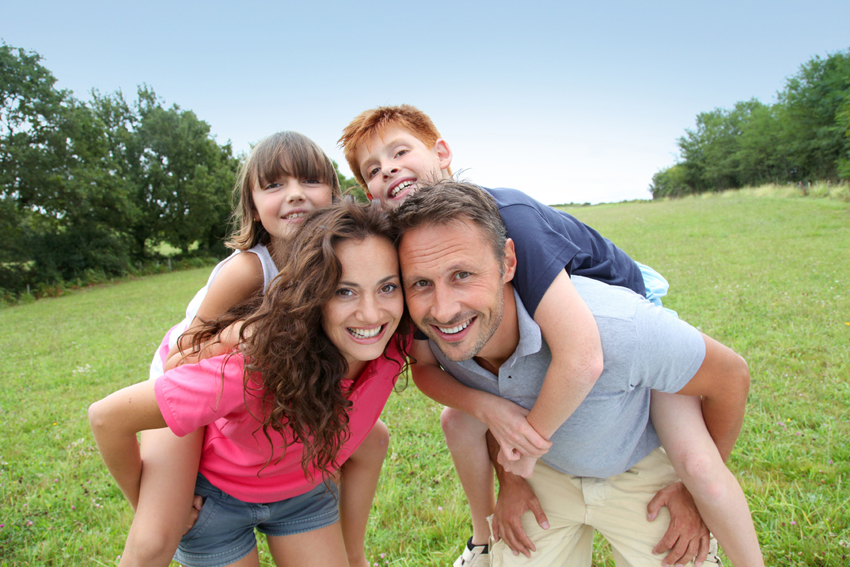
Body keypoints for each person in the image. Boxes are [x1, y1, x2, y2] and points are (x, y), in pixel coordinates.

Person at [339, 105, 745, 567]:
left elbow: (583, 353)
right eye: (373, 168)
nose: (388, 168)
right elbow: (426, 366)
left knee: (696, 462)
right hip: (555, 347)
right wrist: (488, 408)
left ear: (442, 152)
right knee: (460, 418)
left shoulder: (508, 218)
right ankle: (482, 539)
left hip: (627, 314)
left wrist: (524, 452)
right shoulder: (410, 252)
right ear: (369, 192)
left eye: (399, 151)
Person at [391, 182, 763, 566]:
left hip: (641, 479)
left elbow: (731, 376)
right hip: (545, 480)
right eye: (421, 283)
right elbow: (487, 407)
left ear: (509, 262)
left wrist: (691, 488)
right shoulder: (443, 343)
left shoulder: (619, 324)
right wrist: (512, 482)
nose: (443, 309)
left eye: (463, 275)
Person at [89, 200, 411, 567]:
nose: (371, 313)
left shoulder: (394, 338)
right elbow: (107, 417)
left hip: (303, 494)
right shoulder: (254, 370)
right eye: (344, 291)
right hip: (218, 506)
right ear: (311, 297)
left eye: (387, 288)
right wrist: (143, 500)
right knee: (149, 546)